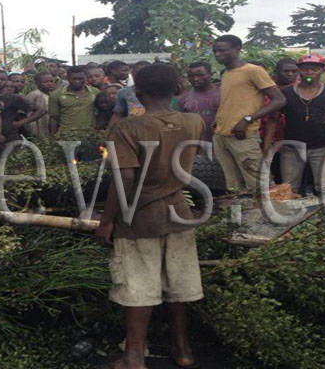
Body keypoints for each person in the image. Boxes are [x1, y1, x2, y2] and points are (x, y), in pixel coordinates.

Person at [95, 63, 204, 369]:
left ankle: (133, 356)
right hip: (180, 213)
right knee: (177, 284)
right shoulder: (194, 121)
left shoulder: (127, 128)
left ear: (137, 92)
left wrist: (108, 219)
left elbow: (126, 179)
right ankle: (183, 350)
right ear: (178, 89)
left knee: (138, 286)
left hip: (140, 216)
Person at [211, 35, 286, 193]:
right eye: (215, 51)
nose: (217, 54)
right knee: (233, 185)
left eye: (222, 50)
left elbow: (279, 100)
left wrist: (248, 119)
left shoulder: (253, 70)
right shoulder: (226, 73)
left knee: (259, 183)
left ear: (238, 48)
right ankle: (242, 216)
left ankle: (268, 216)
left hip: (243, 135)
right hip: (222, 135)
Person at [269, 54, 325, 196]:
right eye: (305, 69)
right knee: (288, 189)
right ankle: (290, 217)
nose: (309, 73)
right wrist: (267, 144)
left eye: (314, 69)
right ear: (299, 70)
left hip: (323, 147)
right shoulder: (285, 93)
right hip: (291, 148)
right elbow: (273, 119)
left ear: (322, 71)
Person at [49, 66, 100, 134]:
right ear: (68, 78)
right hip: (66, 136)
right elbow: (54, 118)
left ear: (85, 78)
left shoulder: (95, 92)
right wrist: (52, 137)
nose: (77, 81)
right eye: (73, 79)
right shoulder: (56, 95)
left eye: (81, 78)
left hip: (90, 135)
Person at [178, 61, 220, 143]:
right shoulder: (183, 98)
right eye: (191, 76)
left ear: (211, 74)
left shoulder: (224, 92)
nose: (195, 79)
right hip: (198, 145)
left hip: (224, 144)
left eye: (200, 75)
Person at [20, 72, 55, 138]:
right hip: (36, 128)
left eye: (51, 81)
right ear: (37, 83)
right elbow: (28, 112)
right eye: (45, 82)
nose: (49, 84)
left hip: (47, 127)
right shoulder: (35, 94)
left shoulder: (53, 95)